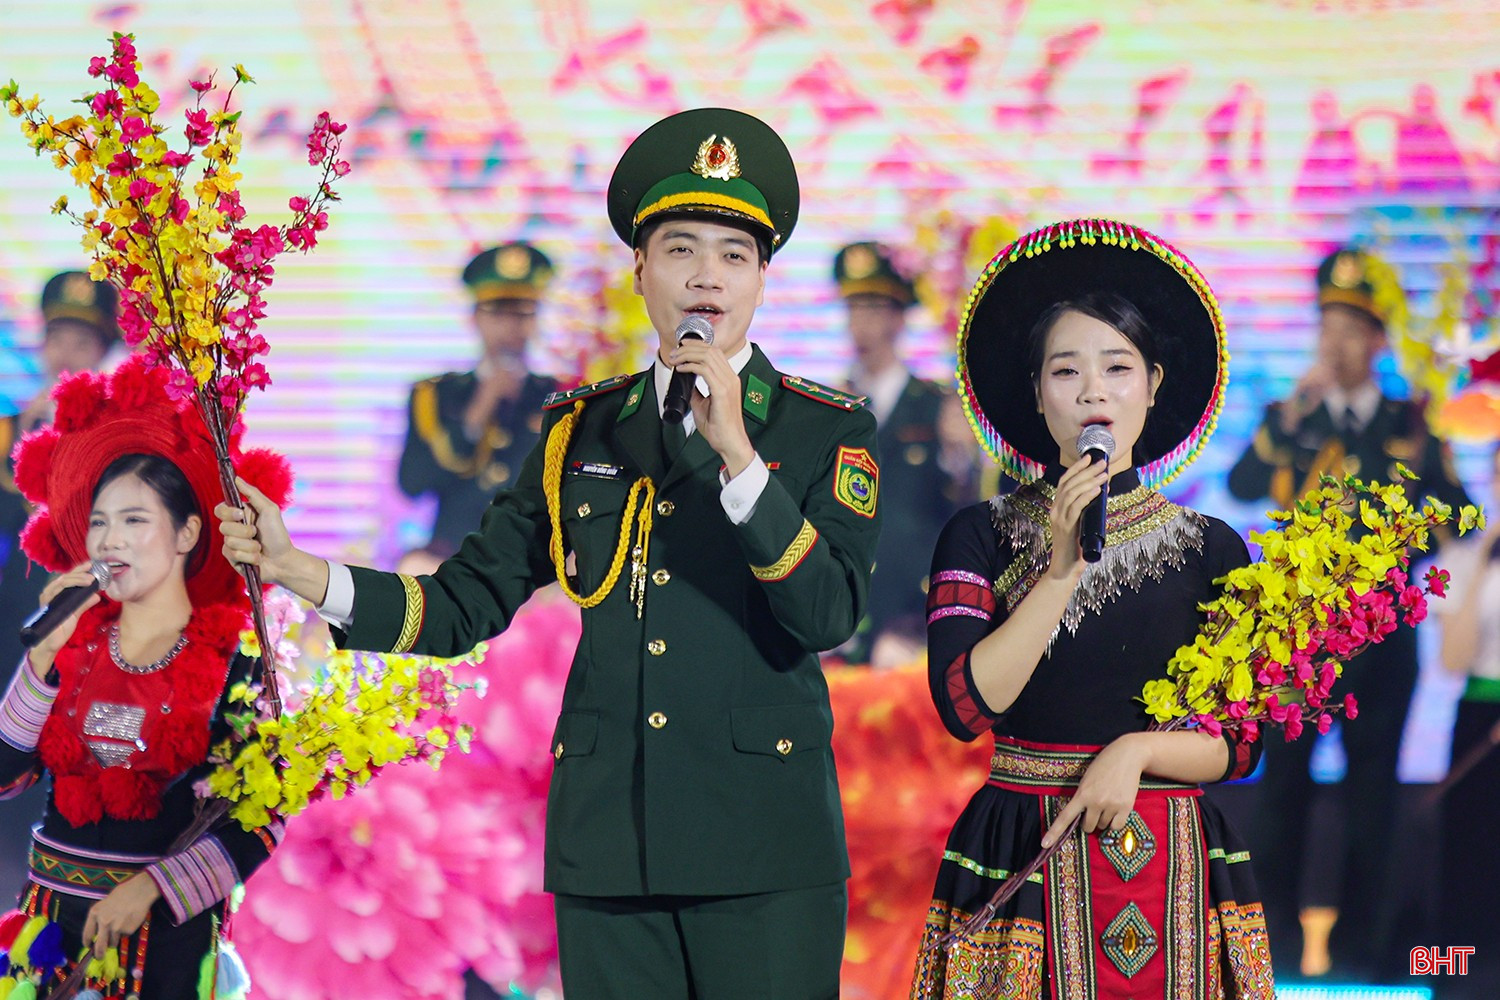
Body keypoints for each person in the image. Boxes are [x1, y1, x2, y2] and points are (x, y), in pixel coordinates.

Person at [218, 107, 882, 999]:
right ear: (639, 269)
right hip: (611, 845)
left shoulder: (822, 430)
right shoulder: (581, 430)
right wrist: (300, 571)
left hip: (762, 847)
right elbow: (465, 603)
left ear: (763, 277)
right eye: (680, 249)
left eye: (733, 254)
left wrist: (740, 459)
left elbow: (829, 615)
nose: (706, 275)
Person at [911, 219, 1275, 999]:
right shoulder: (979, 534)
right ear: (1037, 393)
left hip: (1174, 855)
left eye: (1117, 367)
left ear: (1154, 383)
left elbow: (1243, 743)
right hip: (1024, 845)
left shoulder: (1212, 548)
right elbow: (966, 707)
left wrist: (1135, 753)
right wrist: (1060, 571)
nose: (1093, 391)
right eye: (1066, 371)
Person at [0, 358, 291, 997]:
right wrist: (41, 659)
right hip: (50, 935)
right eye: (100, 522)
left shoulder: (239, 658)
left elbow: (263, 814)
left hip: (165, 943)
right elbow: (4, 776)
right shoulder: (72, 642)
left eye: (134, 520)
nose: (111, 541)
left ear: (187, 532)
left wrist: (152, 888)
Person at [1226, 247, 1472, 976]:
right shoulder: (1291, 418)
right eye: (1327, 326)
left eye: (1352, 329)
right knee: (1281, 792)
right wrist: (1293, 412)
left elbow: (1457, 515)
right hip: (1298, 640)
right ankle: (1272, 951)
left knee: (1373, 799)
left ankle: (1366, 953)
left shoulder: (1408, 422)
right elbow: (1242, 484)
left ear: (1377, 341)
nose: (1336, 342)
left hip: (1381, 641)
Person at [0, 271, 120, 901]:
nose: (68, 354)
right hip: (15, 623)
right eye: (58, 339)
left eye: (83, 342)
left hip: (95, 625)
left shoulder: (123, 434)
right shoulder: (9, 429)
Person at [835, 242, 978, 659]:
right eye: (853, 309)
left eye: (873, 309)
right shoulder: (833, 407)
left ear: (899, 318)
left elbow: (961, 504)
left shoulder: (936, 406)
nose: (861, 324)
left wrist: (960, 453)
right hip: (844, 615)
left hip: (912, 617)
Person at [398, 242, 559, 554]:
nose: (512, 326)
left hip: (533, 558)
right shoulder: (435, 395)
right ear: (475, 317)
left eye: (523, 313)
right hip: (454, 554)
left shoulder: (558, 396)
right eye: (498, 312)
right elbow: (413, 483)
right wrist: (477, 412)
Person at [1433, 443, 1500, 1000]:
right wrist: (1482, 558)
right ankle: (1457, 977)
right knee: (1470, 850)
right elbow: (1452, 659)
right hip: (1480, 713)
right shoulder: (1462, 557)